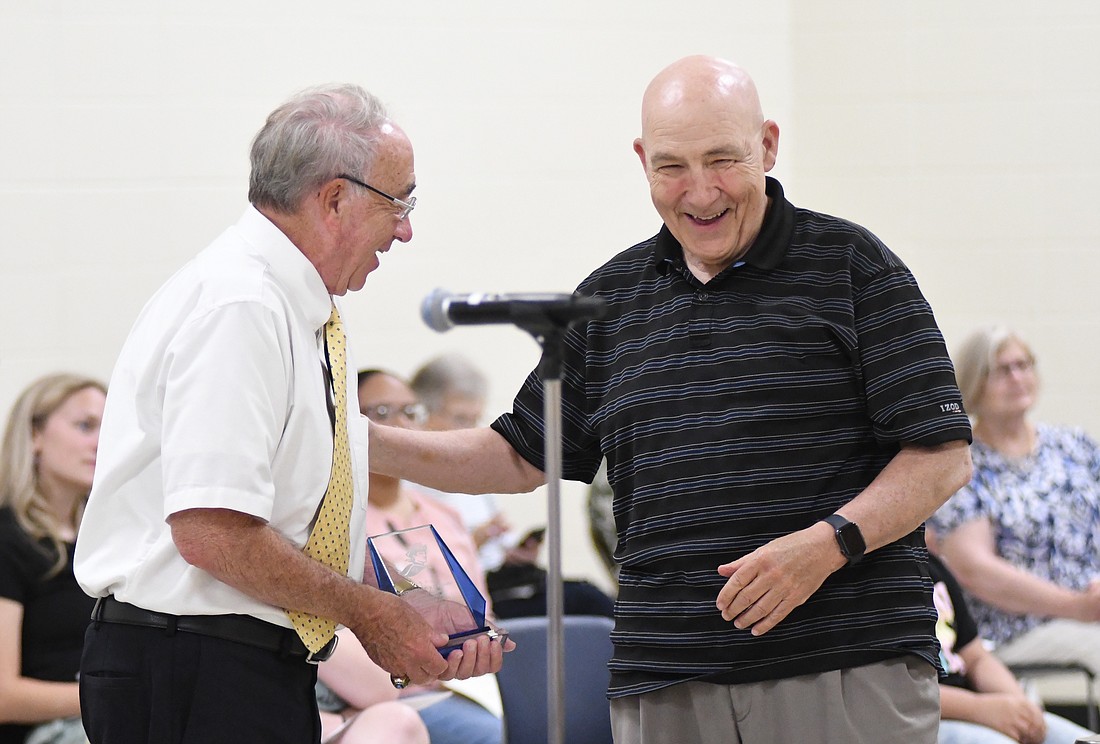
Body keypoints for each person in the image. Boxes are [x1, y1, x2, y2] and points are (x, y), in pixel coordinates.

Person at [369, 54, 973, 743]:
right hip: (666, 681)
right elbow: (518, 454)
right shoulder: (610, 300)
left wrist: (827, 545)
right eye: (672, 166)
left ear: (768, 145)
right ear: (641, 160)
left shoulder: (855, 267)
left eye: (723, 159)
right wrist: (362, 444)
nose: (701, 190)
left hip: (841, 670)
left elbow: (942, 456)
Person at [72, 84, 506, 744]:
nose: (407, 228)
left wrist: (421, 612)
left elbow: (310, 489)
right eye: (400, 202)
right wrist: (371, 613)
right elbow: (213, 531)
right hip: (191, 660)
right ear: (335, 199)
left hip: (237, 658)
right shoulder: (242, 305)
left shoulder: (297, 308)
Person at [315, 369, 502, 744]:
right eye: (381, 413)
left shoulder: (445, 516)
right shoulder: (331, 520)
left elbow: (484, 617)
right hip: (382, 694)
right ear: (349, 422)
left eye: (410, 412)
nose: (400, 425)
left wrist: (482, 644)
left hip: (464, 687)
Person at [930, 326, 1100, 675]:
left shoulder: (1072, 446)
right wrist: (1077, 606)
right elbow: (974, 569)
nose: (1017, 377)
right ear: (975, 382)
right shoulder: (963, 464)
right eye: (1002, 370)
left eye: (1024, 365)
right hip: (1014, 628)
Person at [410, 353, 614, 618]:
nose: (469, 430)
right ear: (421, 412)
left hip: (499, 583)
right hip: (456, 595)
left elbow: (498, 549)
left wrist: (514, 555)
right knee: (590, 603)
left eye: (476, 419)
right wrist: (473, 544)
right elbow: (411, 568)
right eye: (461, 419)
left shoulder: (474, 473)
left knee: (592, 599)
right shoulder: (405, 485)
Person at [0, 374, 105, 744]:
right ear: (35, 436)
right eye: (85, 426)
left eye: (109, 429)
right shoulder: (8, 540)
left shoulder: (105, 543)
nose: (101, 442)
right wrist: (113, 696)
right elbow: (3, 695)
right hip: (50, 730)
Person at [928, 546, 1094, 743]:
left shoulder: (931, 565)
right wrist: (981, 709)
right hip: (929, 719)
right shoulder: (885, 574)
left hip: (979, 706)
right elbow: (901, 693)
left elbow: (976, 658)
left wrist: (1019, 706)